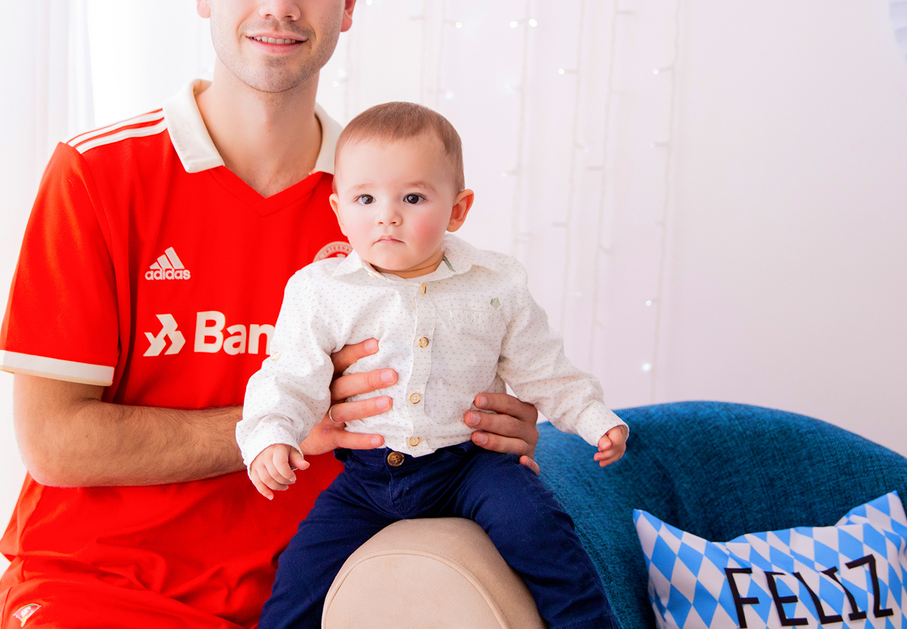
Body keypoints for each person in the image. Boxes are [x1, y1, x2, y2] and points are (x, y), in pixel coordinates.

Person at [0, 0, 541, 629]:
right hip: (100, 588)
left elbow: (439, 400)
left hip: (320, 594)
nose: (278, 4)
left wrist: (494, 428)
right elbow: (54, 441)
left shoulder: (391, 199)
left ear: (348, 3)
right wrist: (288, 426)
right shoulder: (97, 175)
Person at [238, 102, 628, 629]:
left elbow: (543, 369)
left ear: (458, 210)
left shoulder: (496, 284)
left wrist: (594, 419)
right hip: (369, 479)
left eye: (413, 197)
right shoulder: (321, 290)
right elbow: (289, 375)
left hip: (470, 465)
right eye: (365, 198)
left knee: (539, 529)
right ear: (337, 210)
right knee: (300, 577)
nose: (387, 215)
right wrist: (269, 435)